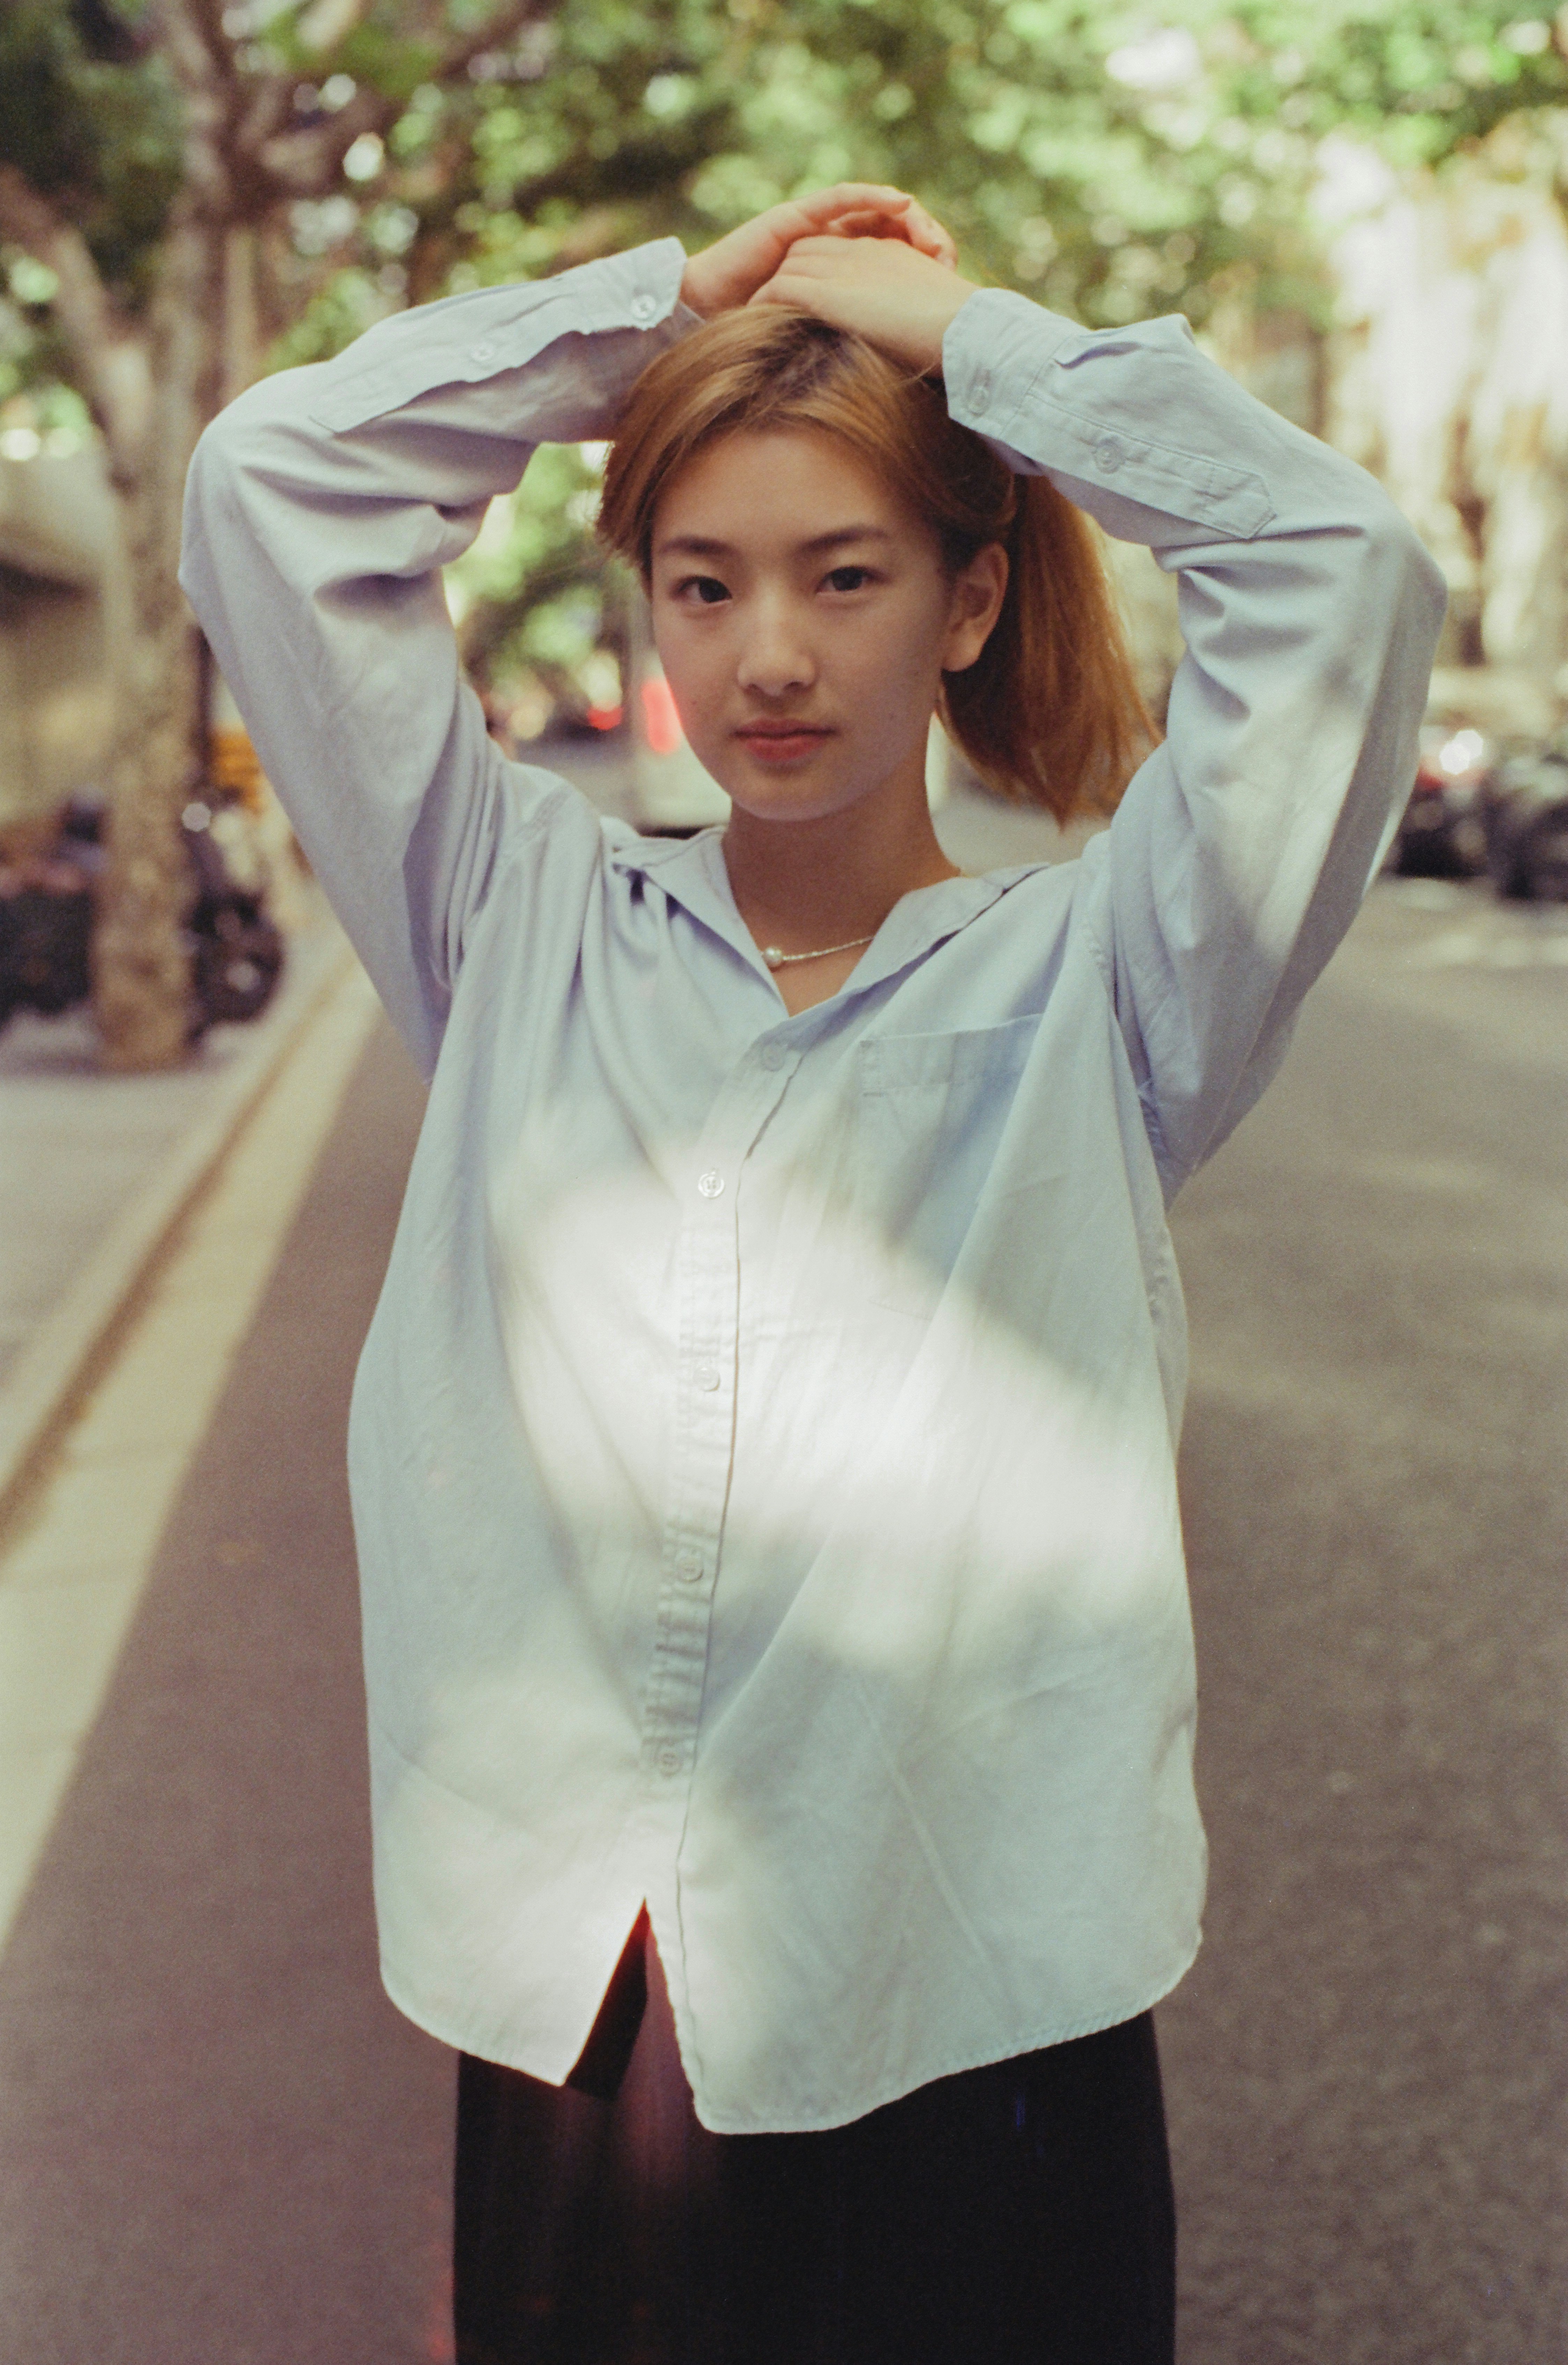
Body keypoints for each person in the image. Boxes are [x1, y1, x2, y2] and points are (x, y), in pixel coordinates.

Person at [179, 184, 1445, 2363]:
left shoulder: (1111, 989)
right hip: (593, 2010)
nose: (770, 652)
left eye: (844, 576)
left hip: (977, 2011)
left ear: (965, 600)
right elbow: (265, 484)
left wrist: (976, 347)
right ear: (652, 608)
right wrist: (662, 317)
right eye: (707, 580)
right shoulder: (514, 934)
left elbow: (1344, 574)